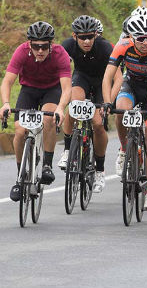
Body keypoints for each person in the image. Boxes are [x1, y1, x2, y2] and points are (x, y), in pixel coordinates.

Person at [0, 21, 72, 202]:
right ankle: (20, 176)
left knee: (48, 120)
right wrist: (6, 104)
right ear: (29, 44)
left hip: (51, 90)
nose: (40, 51)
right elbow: (7, 81)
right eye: (36, 46)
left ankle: (47, 165)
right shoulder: (21, 52)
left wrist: (61, 109)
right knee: (20, 131)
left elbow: (67, 87)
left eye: (44, 46)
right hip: (29, 91)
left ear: (51, 44)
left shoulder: (60, 54)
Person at [102, 14, 147, 211]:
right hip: (131, 85)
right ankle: (124, 149)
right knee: (121, 111)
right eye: (141, 39)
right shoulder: (122, 46)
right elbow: (108, 78)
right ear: (131, 38)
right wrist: (106, 102)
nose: (146, 42)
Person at [58, 16, 121, 194]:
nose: (86, 41)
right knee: (74, 105)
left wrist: (108, 102)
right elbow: (59, 71)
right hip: (82, 77)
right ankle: (68, 149)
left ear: (95, 35)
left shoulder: (105, 47)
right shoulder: (67, 45)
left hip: (103, 82)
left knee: (98, 123)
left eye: (90, 37)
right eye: (82, 37)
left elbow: (118, 79)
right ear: (74, 36)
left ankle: (99, 170)